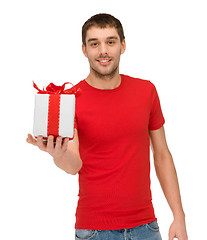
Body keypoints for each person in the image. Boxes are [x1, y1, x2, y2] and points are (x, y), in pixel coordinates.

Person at [27, 13, 188, 240]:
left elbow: (162, 155)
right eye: (95, 44)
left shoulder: (146, 91)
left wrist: (178, 216)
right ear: (84, 50)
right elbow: (73, 165)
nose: (103, 50)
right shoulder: (71, 99)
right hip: (93, 231)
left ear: (122, 46)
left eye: (110, 42)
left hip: (146, 227)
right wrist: (58, 154)